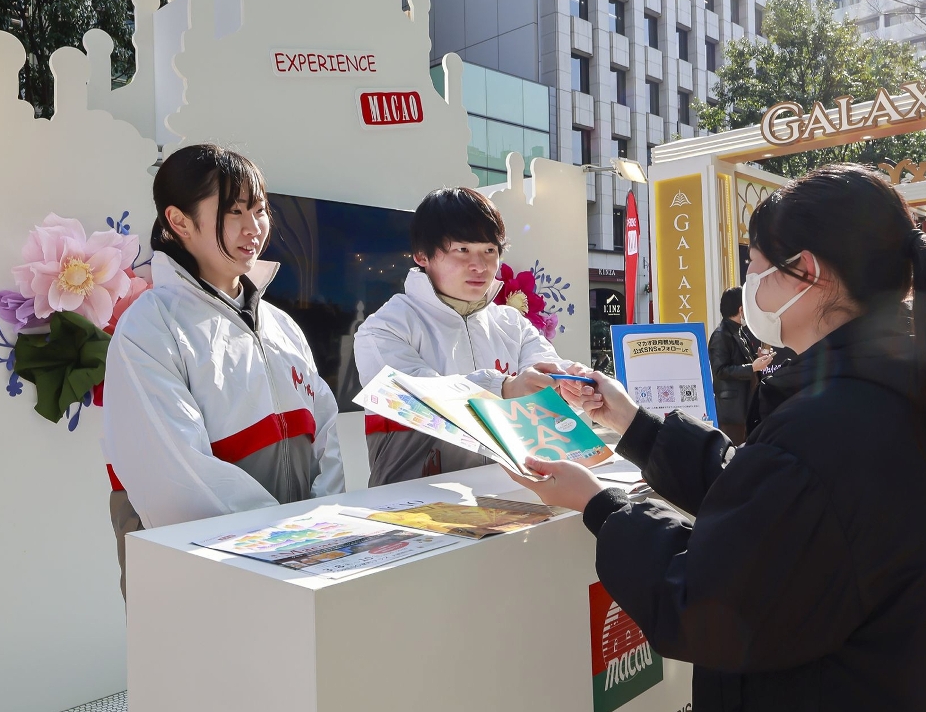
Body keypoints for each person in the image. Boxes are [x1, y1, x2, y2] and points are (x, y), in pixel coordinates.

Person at [512, 165, 926, 711]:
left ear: (805, 272)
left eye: (754, 265)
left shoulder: (830, 425)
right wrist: (633, 423)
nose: (749, 283)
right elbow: (778, 503)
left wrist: (600, 504)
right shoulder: (913, 386)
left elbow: (705, 604)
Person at [103, 144, 344, 595]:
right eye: (235, 211)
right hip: (205, 570)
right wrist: (280, 545)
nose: (254, 228)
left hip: (299, 561)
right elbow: (177, 473)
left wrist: (320, 524)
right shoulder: (151, 326)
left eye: (260, 210)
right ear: (179, 221)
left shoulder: (281, 325)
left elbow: (325, 434)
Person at [353, 187, 577, 485]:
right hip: (416, 503)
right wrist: (504, 388)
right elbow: (419, 398)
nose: (480, 265)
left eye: (490, 251)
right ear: (422, 256)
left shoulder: (512, 324)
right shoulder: (384, 328)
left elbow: (545, 372)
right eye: (462, 250)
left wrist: (571, 384)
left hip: (511, 495)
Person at [707, 286, 769, 444]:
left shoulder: (738, 331)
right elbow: (720, 370)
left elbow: (741, 362)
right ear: (741, 309)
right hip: (732, 412)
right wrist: (752, 367)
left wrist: (757, 358)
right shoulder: (720, 335)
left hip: (746, 406)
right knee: (734, 450)